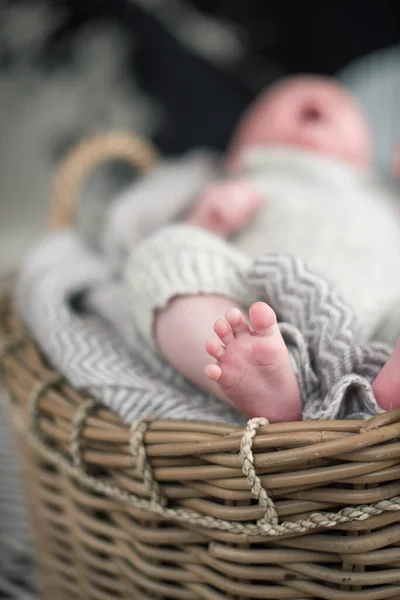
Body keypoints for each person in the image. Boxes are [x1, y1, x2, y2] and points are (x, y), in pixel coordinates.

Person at [125, 75, 400, 422]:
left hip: (382, 322)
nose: (318, 95)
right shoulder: (242, 176)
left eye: (344, 105)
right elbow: (190, 250)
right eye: (284, 96)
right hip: (257, 313)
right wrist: (204, 221)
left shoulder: (381, 191)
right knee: (162, 256)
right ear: (241, 145)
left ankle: (388, 386)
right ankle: (260, 384)